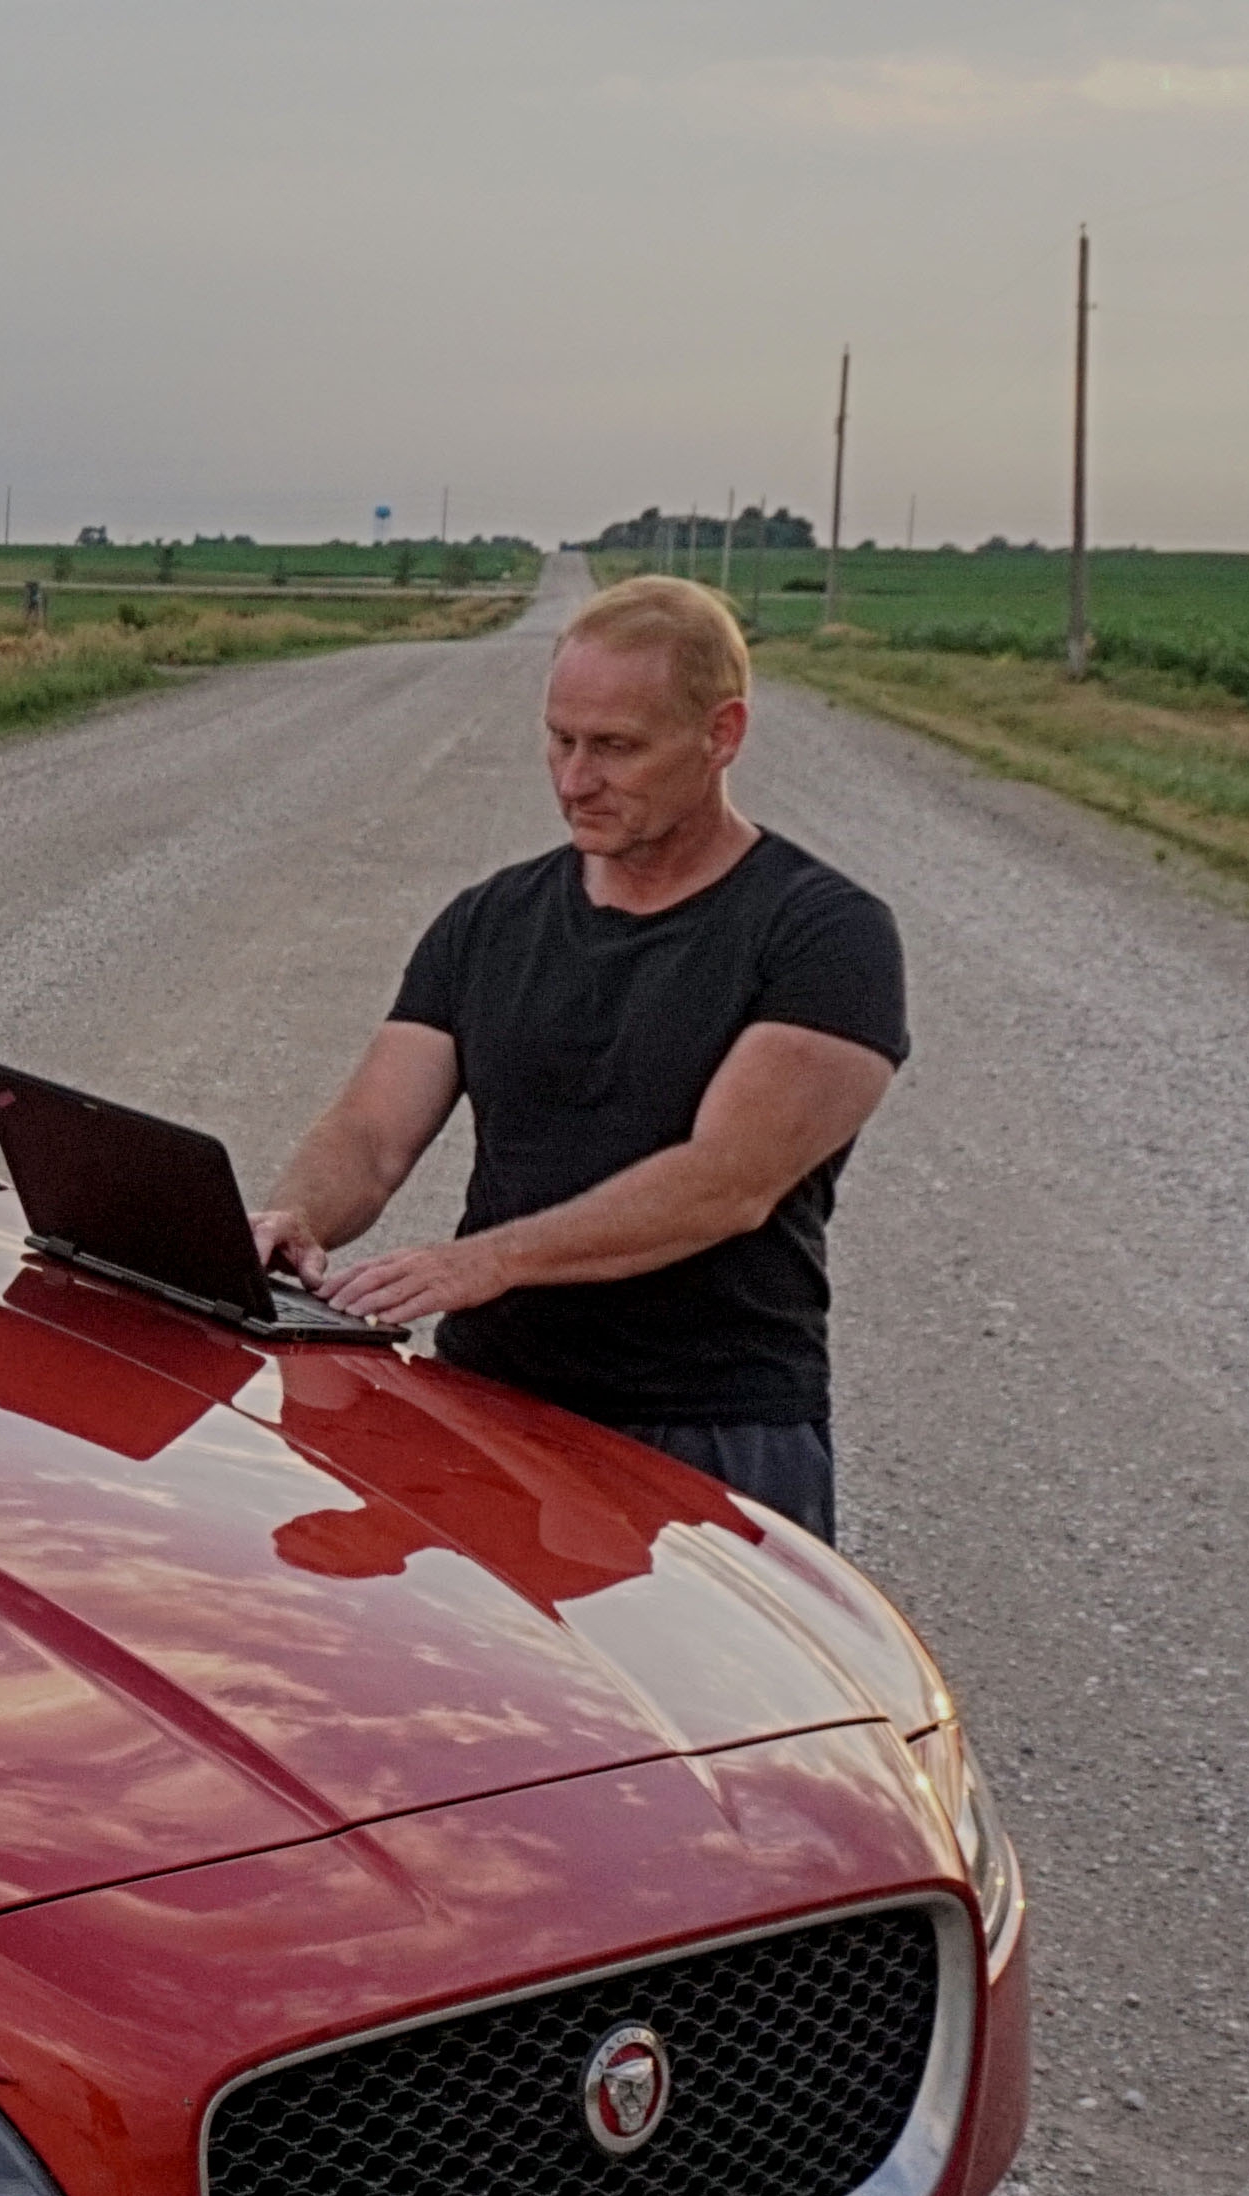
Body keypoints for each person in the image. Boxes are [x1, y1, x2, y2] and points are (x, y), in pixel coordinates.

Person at [247, 573, 906, 1538]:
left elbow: (729, 1182)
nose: (573, 779)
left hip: (711, 1432)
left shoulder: (825, 935)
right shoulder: (490, 920)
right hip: (492, 1407)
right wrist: (297, 1216)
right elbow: (372, 1132)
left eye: (616, 747)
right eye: (560, 740)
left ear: (723, 734)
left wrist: (490, 1260)